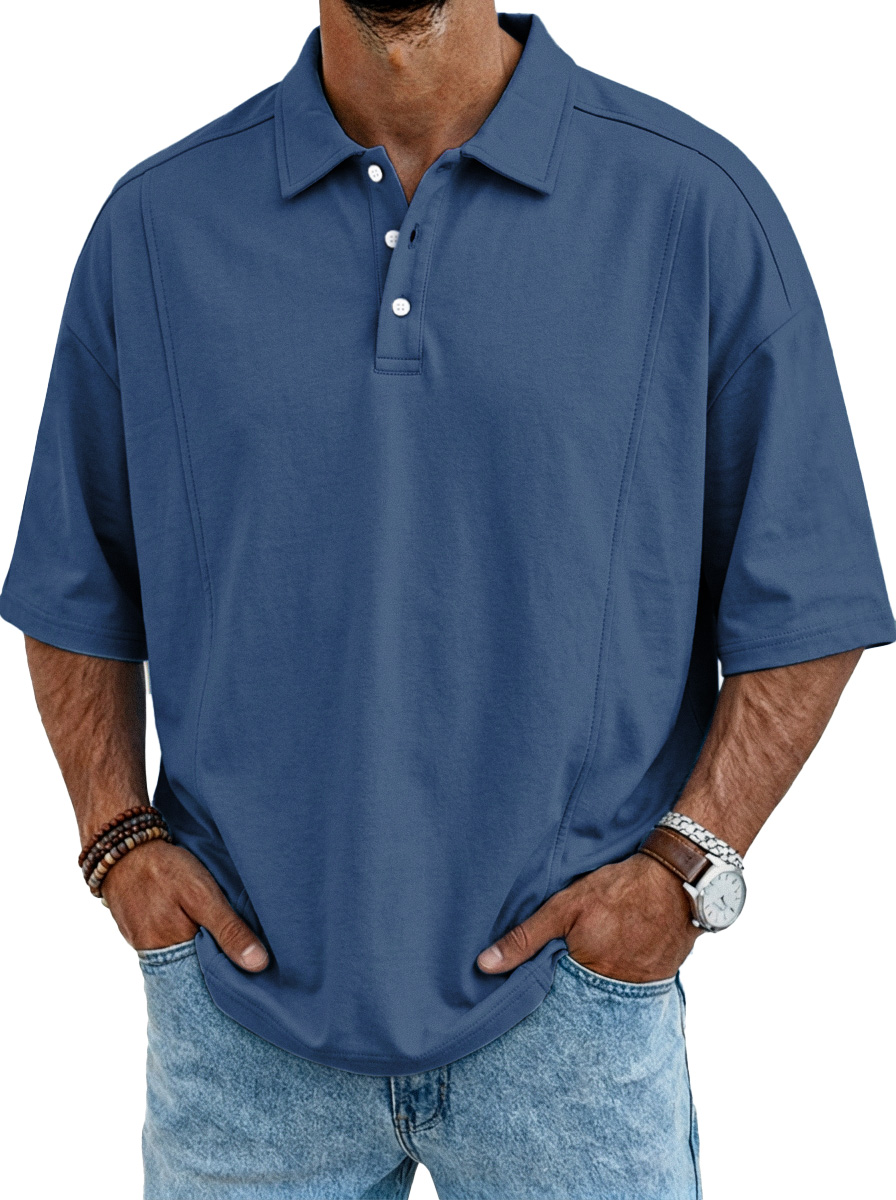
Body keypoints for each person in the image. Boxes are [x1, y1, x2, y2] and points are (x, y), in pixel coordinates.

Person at [2, 2, 893, 1197]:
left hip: (575, 1019)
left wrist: (682, 870)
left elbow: (809, 596)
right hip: (238, 1019)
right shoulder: (157, 227)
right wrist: (118, 845)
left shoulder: (690, 206)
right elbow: (75, 582)